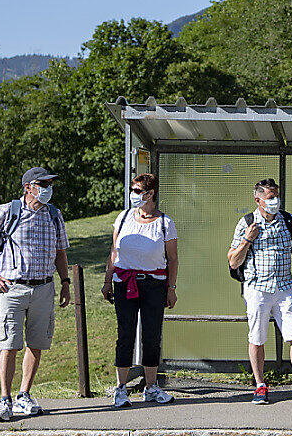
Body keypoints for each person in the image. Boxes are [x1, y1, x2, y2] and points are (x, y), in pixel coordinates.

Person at [0, 167, 71, 422]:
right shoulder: (8, 211)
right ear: (28, 187)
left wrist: (65, 282)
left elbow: (61, 251)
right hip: (12, 288)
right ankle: (4, 400)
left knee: (36, 343)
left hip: (44, 287)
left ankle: (24, 395)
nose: (48, 188)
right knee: (9, 344)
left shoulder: (54, 214)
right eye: (43, 183)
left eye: (50, 184)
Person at [227, 179, 292, 406]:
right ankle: (260, 386)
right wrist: (247, 240)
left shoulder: (288, 220)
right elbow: (233, 261)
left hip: (285, 288)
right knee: (257, 338)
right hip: (257, 288)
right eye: (270, 198)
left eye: (276, 196)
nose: (275, 201)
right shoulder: (246, 223)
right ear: (258, 200)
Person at [101, 174, 179, 408]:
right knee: (125, 334)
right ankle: (121, 389)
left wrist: (171, 288)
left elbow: (173, 259)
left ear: (151, 193)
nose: (133, 194)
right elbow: (114, 252)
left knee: (152, 335)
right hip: (124, 282)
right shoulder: (123, 218)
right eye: (132, 189)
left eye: (138, 190)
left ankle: (151, 387)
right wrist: (107, 280)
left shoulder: (165, 222)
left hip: (154, 283)